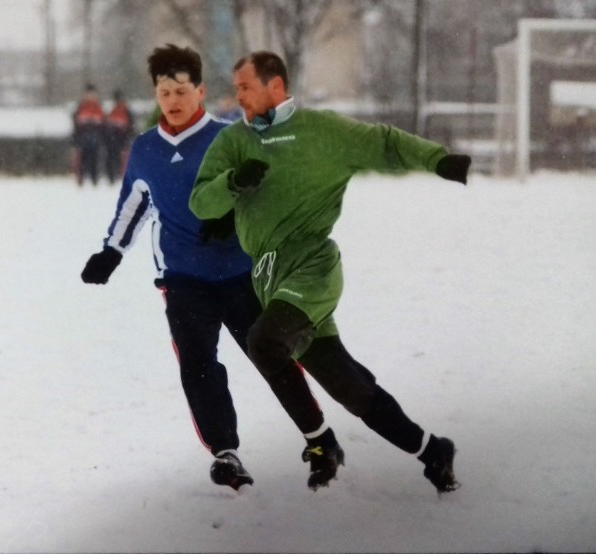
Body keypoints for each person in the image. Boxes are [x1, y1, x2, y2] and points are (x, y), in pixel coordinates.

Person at [190, 51, 472, 493]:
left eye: (245, 86)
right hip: (269, 278)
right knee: (349, 388)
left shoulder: (323, 131)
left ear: (276, 86)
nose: (237, 96)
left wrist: (438, 160)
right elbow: (200, 202)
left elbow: (384, 143)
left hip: (313, 266)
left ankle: (321, 444)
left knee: (263, 342)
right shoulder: (233, 142)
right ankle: (432, 451)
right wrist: (231, 184)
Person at [81, 44, 328, 492]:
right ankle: (225, 453)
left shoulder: (230, 137)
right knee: (197, 366)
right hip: (183, 279)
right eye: (163, 92)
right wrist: (110, 253)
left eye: (180, 90)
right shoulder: (145, 149)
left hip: (240, 274)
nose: (172, 100)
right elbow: (132, 207)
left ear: (199, 90)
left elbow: (268, 189)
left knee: (272, 357)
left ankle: (317, 439)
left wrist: (233, 215)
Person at [72, 83, 105, 186]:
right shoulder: (81, 107)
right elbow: (76, 123)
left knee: (95, 158)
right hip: (84, 137)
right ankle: (81, 179)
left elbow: (103, 123)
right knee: (83, 158)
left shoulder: (98, 107)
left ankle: (94, 179)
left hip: (95, 137)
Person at [104, 89, 134, 184]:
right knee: (111, 157)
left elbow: (131, 127)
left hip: (124, 139)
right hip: (113, 140)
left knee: (124, 158)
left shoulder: (127, 112)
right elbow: (107, 126)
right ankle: (112, 177)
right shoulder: (113, 111)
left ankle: (123, 176)